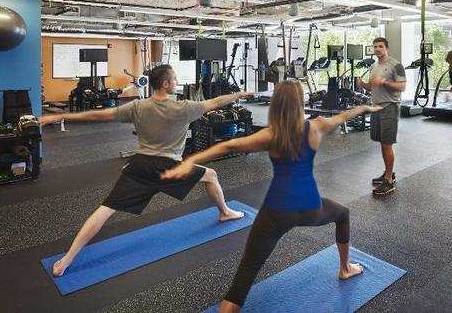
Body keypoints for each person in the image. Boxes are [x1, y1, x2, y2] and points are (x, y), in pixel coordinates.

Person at [161, 80, 381, 312]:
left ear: (276, 105)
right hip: (310, 207)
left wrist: (191, 161)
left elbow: (230, 146)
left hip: (275, 212)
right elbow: (343, 116)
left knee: (245, 275)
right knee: (342, 214)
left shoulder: (270, 135)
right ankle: (345, 268)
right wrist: (366, 108)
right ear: (300, 103)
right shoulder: (316, 127)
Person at [38, 64, 250, 277]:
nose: (177, 83)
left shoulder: (137, 107)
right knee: (211, 175)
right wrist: (240, 93)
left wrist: (59, 117)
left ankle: (67, 259)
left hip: (140, 166)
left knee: (105, 209)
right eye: (175, 79)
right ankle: (224, 213)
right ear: (166, 84)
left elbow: (98, 115)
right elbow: (215, 102)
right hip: (169, 168)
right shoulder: (185, 107)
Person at [359, 37, 406, 196]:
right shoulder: (374, 66)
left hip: (390, 107)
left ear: (386, 48)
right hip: (376, 107)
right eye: (375, 47)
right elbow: (373, 88)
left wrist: (384, 82)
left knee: (387, 144)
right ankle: (388, 172)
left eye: (380, 46)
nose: (377, 49)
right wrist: (363, 85)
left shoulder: (396, 65)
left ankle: (389, 181)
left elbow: (402, 86)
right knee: (381, 142)